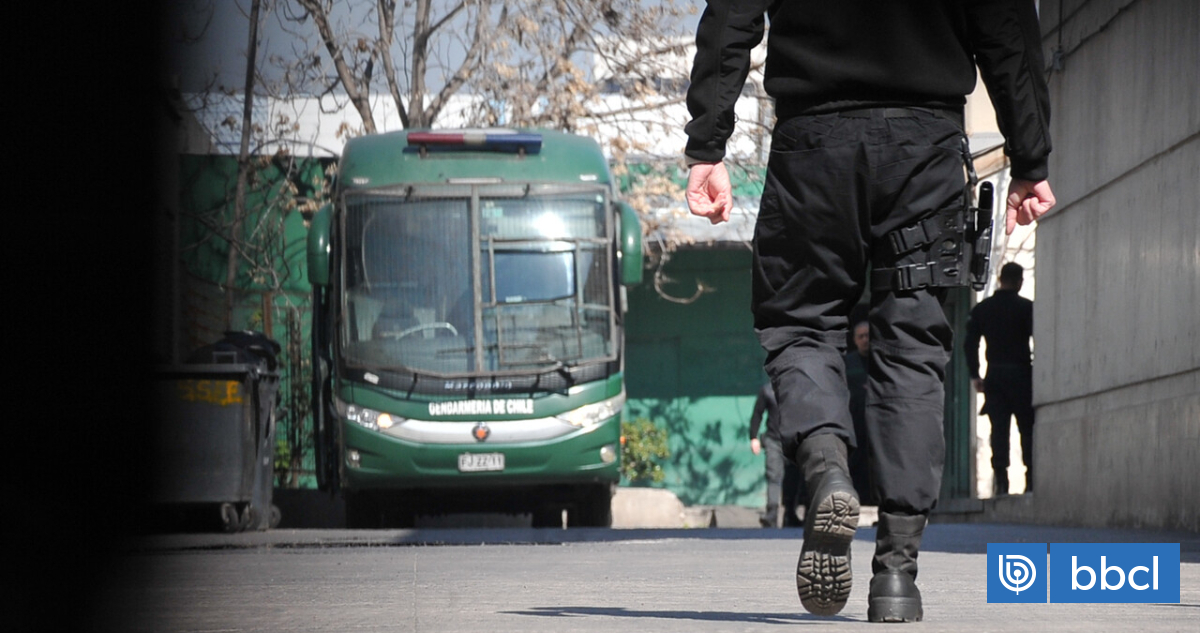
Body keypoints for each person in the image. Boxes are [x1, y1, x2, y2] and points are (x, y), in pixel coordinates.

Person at [683, 0, 1055, 623]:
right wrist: (1031, 154)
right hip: (926, 149)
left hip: (813, 147)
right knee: (912, 347)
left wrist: (708, 145)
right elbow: (1006, 27)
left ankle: (828, 467)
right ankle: (897, 575)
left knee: (800, 322)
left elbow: (732, 18)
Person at [965, 262, 1035, 497]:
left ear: (999, 279)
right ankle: (1031, 477)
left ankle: (1001, 481)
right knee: (1027, 428)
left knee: (999, 430)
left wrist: (975, 374)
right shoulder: (1027, 308)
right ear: (1019, 282)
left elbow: (970, 343)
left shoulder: (983, 309)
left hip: (995, 375)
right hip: (1023, 374)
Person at [748, 381, 803, 528]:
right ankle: (771, 515)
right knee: (774, 476)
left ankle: (790, 514)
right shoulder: (767, 390)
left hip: (793, 442)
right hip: (773, 441)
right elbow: (757, 414)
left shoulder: (797, 388)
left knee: (793, 479)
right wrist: (753, 437)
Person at [843, 320, 877, 507]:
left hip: (879, 422)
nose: (865, 340)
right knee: (855, 462)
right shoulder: (848, 363)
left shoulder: (881, 361)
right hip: (855, 422)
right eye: (861, 336)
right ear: (855, 340)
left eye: (868, 336)